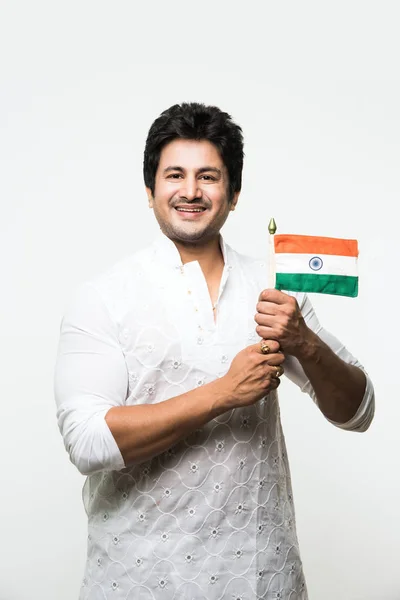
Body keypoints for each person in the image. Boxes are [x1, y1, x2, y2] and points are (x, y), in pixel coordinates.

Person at [54, 102, 375, 600]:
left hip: (263, 576)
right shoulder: (104, 296)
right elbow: (88, 442)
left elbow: (358, 412)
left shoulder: (273, 290)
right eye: (174, 175)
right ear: (150, 190)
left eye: (208, 176)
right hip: (137, 578)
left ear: (234, 193)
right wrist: (224, 393)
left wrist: (304, 343)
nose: (190, 191)